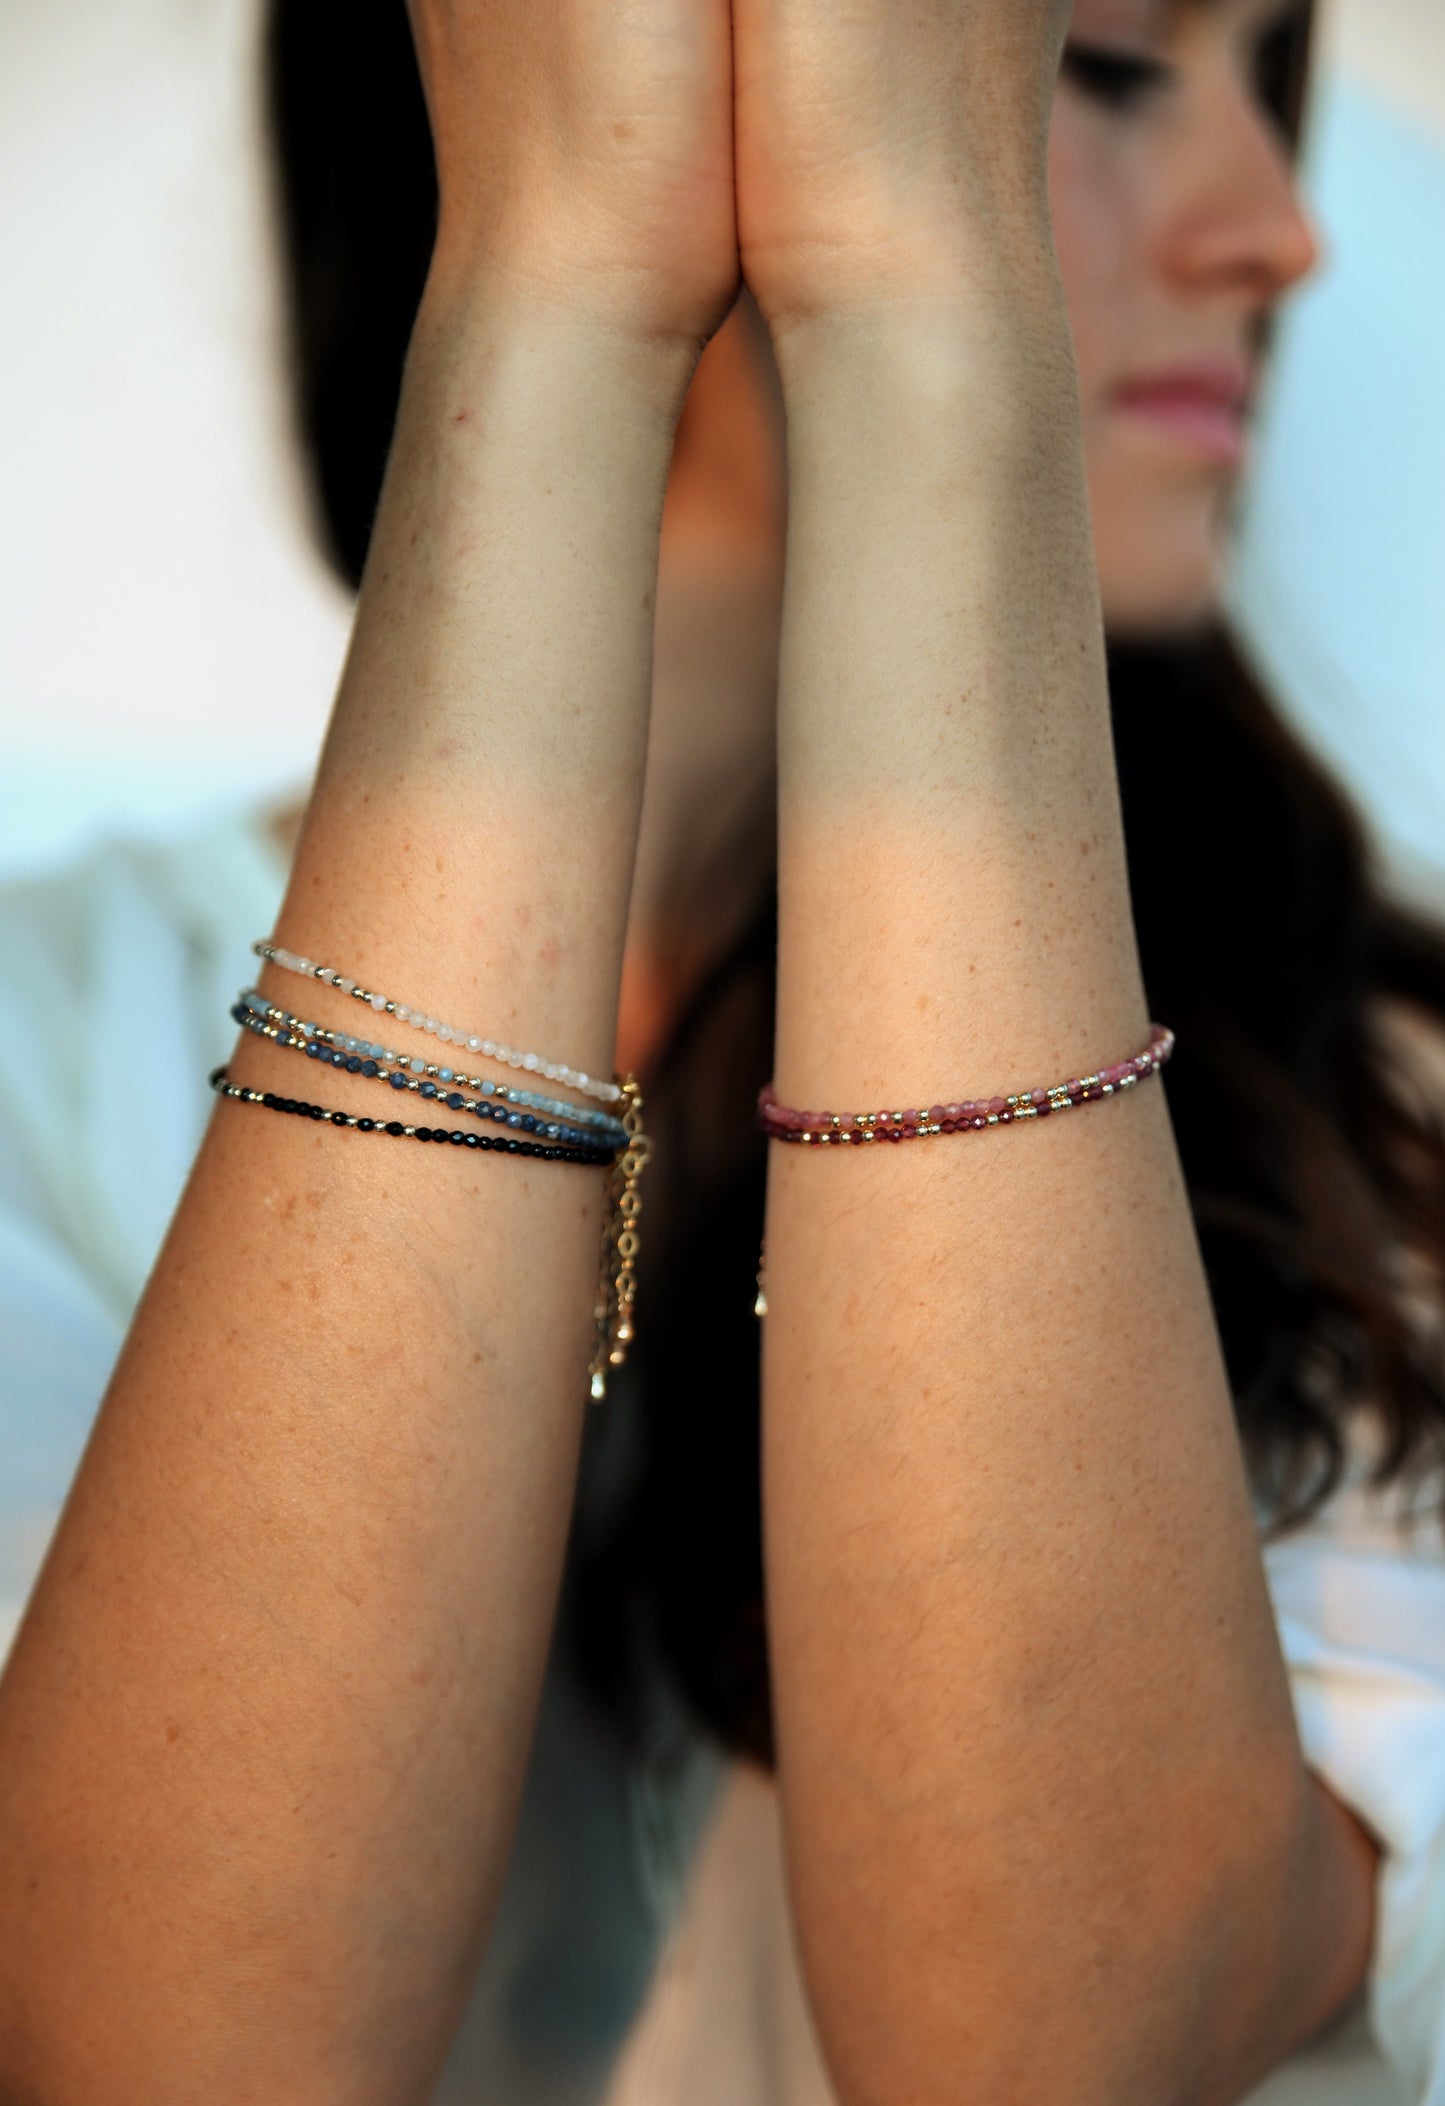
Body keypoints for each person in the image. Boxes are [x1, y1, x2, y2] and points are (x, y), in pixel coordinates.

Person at [1, 2, 1443, 2103]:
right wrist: (563, 282)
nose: (1279, 230)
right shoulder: (46, 1042)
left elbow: (1058, 2042)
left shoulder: (1388, 1092)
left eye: (1276, 73)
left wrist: (921, 303)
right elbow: (163, 2053)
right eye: (1103, 64)